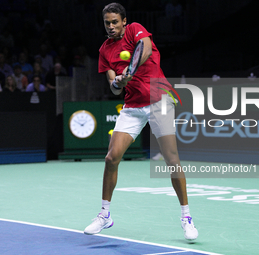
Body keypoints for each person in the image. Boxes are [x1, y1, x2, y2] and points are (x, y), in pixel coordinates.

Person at [84, 3, 198, 242]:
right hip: (133, 106)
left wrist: (130, 70)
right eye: (107, 23)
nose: (112, 26)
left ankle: (186, 217)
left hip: (159, 100)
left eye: (115, 22)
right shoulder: (105, 50)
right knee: (111, 157)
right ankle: (105, 214)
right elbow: (113, 86)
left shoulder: (136, 29)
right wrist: (119, 83)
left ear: (124, 21)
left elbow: (144, 49)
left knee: (171, 159)